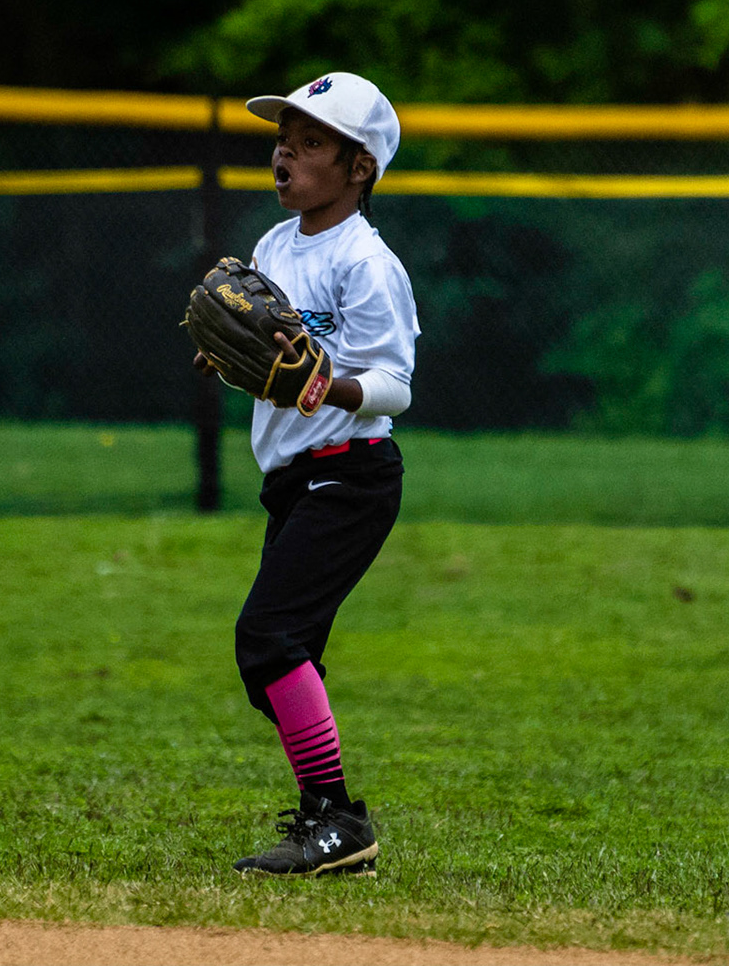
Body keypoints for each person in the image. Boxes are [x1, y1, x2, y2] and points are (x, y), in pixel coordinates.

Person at [192, 71, 420, 877]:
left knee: (268, 638)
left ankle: (337, 821)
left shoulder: (366, 261)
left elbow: (394, 383)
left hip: (352, 475)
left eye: (312, 140)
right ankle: (330, 832)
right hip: (292, 478)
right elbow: (272, 363)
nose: (286, 150)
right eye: (283, 136)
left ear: (359, 168)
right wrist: (233, 360)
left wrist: (329, 386)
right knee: (283, 672)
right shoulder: (274, 247)